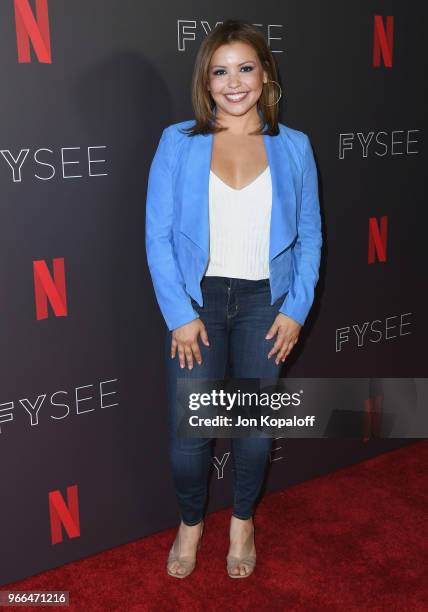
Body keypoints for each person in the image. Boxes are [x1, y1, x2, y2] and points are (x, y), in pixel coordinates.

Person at [145, 19, 322, 579]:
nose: (234, 82)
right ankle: (191, 524)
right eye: (220, 71)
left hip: (265, 306)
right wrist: (178, 314)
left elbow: (312, 234)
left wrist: (296, 307)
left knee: (252, 433)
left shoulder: (295, 147)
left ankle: (242, 520)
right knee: (190, 441)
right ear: (207, 81)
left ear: (265, 74)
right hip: (197, 306)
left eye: (245, 67)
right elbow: (158, 233)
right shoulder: (179, 141)